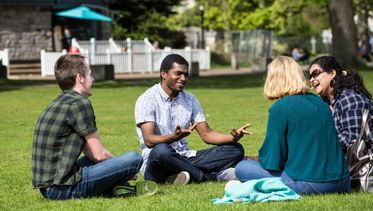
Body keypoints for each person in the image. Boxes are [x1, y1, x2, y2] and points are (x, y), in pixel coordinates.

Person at [32, 54, 157, 200]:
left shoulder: (58, 102)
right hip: (60, 188)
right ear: (80, 78)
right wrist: (125, 169)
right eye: (90, 74)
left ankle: (115, 188)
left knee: (99, 162)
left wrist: (117, 168)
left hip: (47, 187)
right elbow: (99, 155)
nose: (93, 79)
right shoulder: (79, 104)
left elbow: (91, 154)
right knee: (134, 158)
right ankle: (118, 185)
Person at [234, 56, 350, 194]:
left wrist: (255, 159)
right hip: (342, 181)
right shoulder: (320, 102)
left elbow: (272, 160)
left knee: (242, 167)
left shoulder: (281, 108)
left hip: (312, 182)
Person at [134, 54, 251, 185]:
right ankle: (210, 177)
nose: (183, 78)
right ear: (164, 74)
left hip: (185, 157)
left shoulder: (190, 99)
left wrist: (232, 138)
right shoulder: (147, 99)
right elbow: (149, 140)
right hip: (157, 162)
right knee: (162, 150)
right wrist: (174, 137)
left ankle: (180, 176)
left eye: (185, 74)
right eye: (178, 73)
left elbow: (207, 135)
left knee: (235, 149)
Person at [308, 56, 373, 150]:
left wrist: (320, 144)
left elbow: (352, 139)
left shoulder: (350, 100)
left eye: (316, 73)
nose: (311, 79)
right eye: (310, 76)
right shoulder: (326, 102)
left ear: (332, 73)